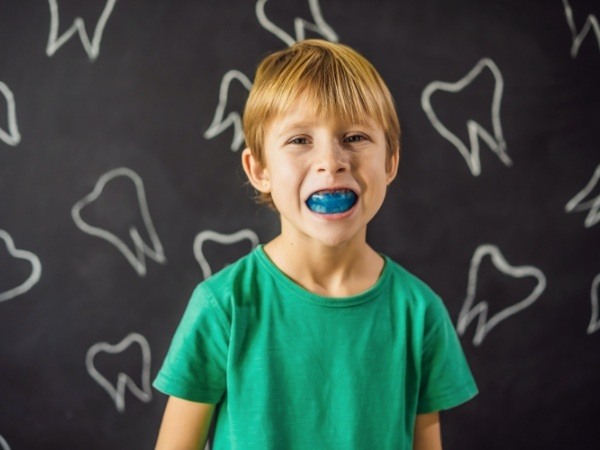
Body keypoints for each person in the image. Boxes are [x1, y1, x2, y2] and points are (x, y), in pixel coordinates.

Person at [153, 39, 477, 450]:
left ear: (390, 161)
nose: (331, 160)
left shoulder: (419, 312)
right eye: (300, 140)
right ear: (260, 170)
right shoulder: (223, 307)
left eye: (355, 136)